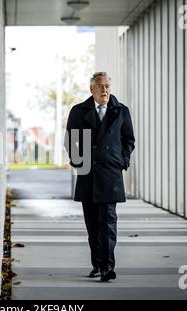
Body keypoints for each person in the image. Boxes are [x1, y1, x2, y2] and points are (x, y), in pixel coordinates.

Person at [64, 72, 135, 281]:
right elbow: (71, 140)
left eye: (107, 86)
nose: (105, 90)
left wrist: (122, 161)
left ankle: (107, 267)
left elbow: (129, 140)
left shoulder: (120, 111)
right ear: (92, 89)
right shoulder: (79, 111)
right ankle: (97, 264)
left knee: (108, 223)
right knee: (93, 225)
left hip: (110, 173)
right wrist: (79, 162)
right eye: (100, 86)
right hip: (88, 173)